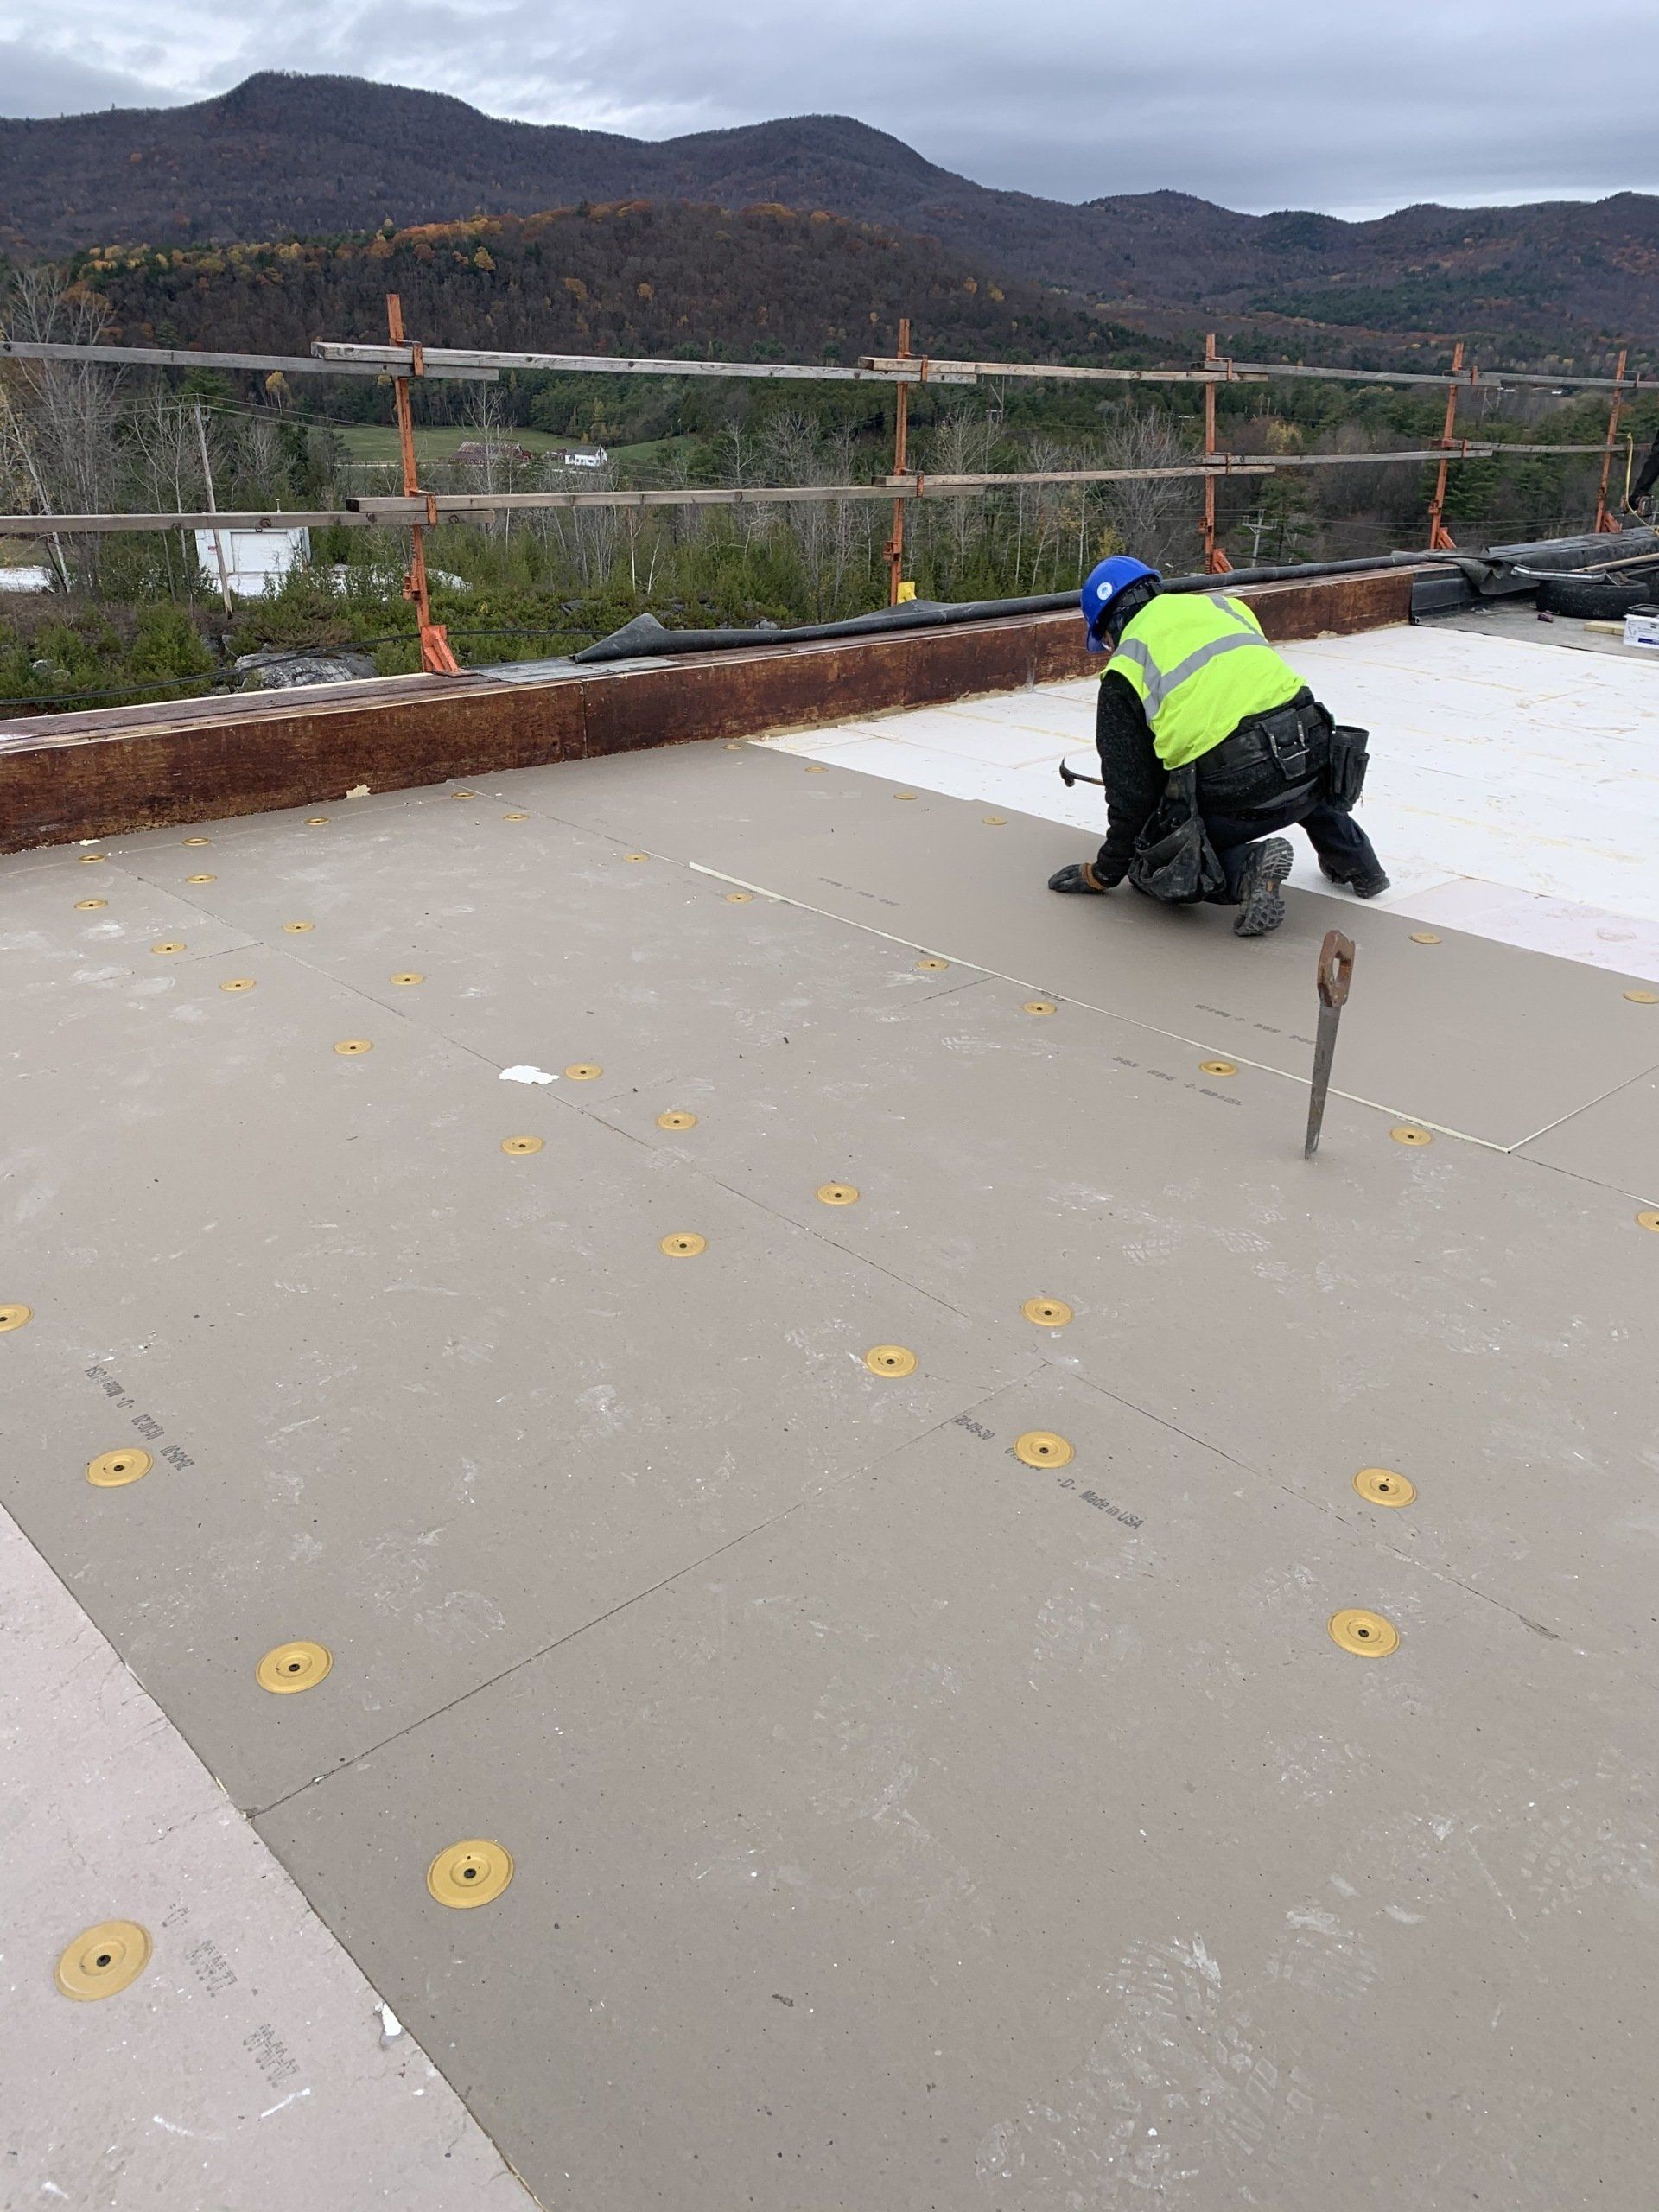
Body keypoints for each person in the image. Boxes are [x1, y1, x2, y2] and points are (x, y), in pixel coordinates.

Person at [1047, 556, 1389, 937]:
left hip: (1242, 789)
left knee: (1153, 861)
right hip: (1314, 758)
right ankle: (1363, 867)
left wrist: (1105, 872)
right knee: (1290, 755)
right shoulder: (1225, 606)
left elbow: (1132, 794)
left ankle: (1247, 870)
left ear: (1109, 623)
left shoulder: (1125, 669)